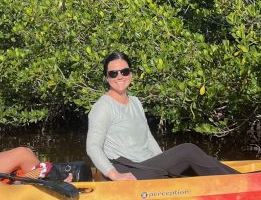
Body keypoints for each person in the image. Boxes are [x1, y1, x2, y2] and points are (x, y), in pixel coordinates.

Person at [86, 52, 239, 180]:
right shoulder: (103, 106)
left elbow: (148, 138)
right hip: (129, 169)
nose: (120, 76)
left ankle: (240, 179)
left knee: (193, 166)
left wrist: (166, 162)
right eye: (113, 73)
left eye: (124, 71)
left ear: (131, 74)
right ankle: (240, 181)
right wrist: (115, 175)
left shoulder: (135, 102)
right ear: (107, 78)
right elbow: (93, 147)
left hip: (147, 165)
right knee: (188, 151)